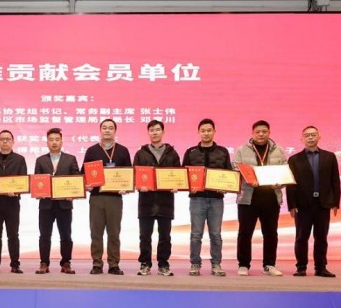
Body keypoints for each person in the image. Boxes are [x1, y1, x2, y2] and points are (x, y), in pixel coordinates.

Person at [286, 126, 341, 278]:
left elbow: (335, 181)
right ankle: (301, 267)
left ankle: (321, 267)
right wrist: (292, 205)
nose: (310, 137)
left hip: (323, 203)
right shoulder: (294, 159)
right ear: (302, 139)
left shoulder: (329, 157)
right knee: (301, 237)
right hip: (302, 205)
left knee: (321, 237)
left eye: (313, 134)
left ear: (319, 137)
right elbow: (290, 184)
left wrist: (335, 201)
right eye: (307, 135)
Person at [234, 120, 287, 277]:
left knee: (270, 233)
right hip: (247, 198)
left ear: (269, 133)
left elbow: (285, 171)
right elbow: (235, 170)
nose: (261, 134)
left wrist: (281, 183)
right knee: (245, 233)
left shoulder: (278, 150)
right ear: (252, 133)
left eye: (264, 131)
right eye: (258, 132)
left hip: (271, 197)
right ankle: (243, 264)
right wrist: (248, 180)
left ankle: (269, 265)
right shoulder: (241, 150)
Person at [182, 118, 232, 277]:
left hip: (216, 199)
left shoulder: (222, 151)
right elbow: (183, 175)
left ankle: (216, 264)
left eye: (209, 130)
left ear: (214, 132)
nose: (206, 133)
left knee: (215, 234)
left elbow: (229, 174)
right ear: (199, 132)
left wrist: (225, 187)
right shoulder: (191, 152)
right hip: (197, 199)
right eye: (203, 130)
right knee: (196, 234)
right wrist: (189, 185)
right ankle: (195, 264)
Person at [82, 118, 132, 275]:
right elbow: (83, 173)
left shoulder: (123, 151)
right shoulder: (92, 151)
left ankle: (114, 264)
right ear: (100, 130)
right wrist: (86, 184)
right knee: (96, 233)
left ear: (115, 131)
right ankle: (97, 263)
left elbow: (129, 174)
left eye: (111, 128)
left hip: (115, 199)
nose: (107, 130)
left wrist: (126, 187)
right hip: (96, 197)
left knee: (114, 233)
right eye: (104, 127)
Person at [132, 120, 181, 276]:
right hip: (146, 201)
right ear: (148, 133)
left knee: (165, 236)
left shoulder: (172, 153)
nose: (154, 132)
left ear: (163, 132)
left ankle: (163, 264)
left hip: (165, 201)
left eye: (157, 129)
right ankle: (145, 263)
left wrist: (177, 185)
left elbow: (178, 174)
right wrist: (138, 185)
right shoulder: (140, 153)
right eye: (152, 130)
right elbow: (134, 175)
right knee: (144, 236)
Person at [34, 127, 80, 274]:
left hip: (64, 204)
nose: (54, 142)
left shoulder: (70, 159)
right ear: (47, 142)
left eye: (57, 139)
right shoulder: (40, 160)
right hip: (46, 204)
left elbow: (77, 179)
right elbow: (37, 181)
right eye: (51, 140)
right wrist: (38, 192)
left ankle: (66, 263)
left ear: (61, 142)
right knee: (44, 235)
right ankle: (44, 263)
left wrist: (73, 194)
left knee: (66, 235)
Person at [0, 130, 28, 274]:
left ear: (13, 142)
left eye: (8, 139)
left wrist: (17, 191)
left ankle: (15, 265)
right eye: (2, 139)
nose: (5, 141)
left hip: (12, 204)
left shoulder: (20, 159)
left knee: (13, 235)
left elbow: (24, 181)